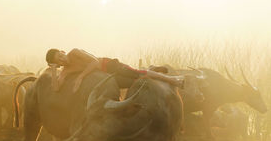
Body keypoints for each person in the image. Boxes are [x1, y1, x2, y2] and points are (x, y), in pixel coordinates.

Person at [45, 48, 184, 92]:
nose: (62, 59)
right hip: (105, 79)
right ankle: (151, 69)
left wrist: (81, 77)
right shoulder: (65, 71)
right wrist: (52, 70)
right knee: (135, 82)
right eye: (58, 61)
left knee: (138, 74)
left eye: (60, 56)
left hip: (108, 65)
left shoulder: (75, 52)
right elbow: (56, 88)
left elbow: (94, 61)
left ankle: (173, 80)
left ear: (62, 51)